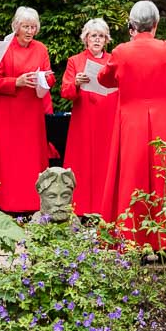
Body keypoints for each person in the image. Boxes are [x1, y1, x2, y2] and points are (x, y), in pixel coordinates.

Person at [97, 0, 166, 251]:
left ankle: (131, 241)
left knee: (131, 177)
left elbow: (104, 79)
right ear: (156, 25)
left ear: (133, 25)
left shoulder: (121, 52)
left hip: (131, 123)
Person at [0, 6, 55, 213]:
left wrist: (45, 79)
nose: (30, 31)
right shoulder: (4, 48)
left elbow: (50, 76)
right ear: (16, 27)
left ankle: (31, 204)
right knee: (6, 159)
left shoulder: (41, 49)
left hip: (31, 111)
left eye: (33, 27)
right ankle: (2, 203)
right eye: (25, 26)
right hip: (6, 111)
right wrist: (17, 82)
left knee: (30, 160)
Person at [61, 18, 119, 217]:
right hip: (84, 119)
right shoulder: (75, 61)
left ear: (106, 40)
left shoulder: (113, 61)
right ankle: (81, 209)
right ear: (85, 38)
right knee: (83, 163)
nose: (97, 40)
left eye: (101, 36)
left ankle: (105, 209)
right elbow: (65, 92)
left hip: (108, 118)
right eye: (93, 35)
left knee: (106, 163)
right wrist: (76, 83)